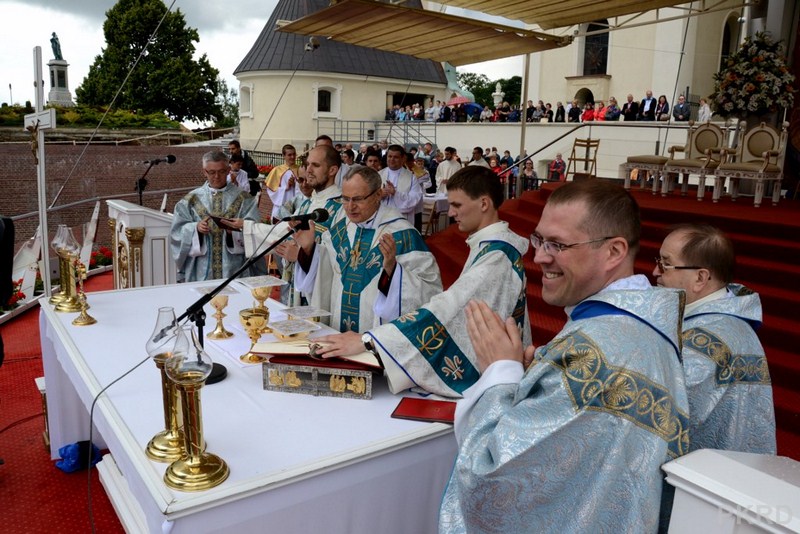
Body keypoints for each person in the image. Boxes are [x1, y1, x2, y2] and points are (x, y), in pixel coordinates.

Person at [439, 179, 688, 533]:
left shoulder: (589, 353)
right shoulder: (646, 331)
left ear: (614, 252)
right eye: (539, 240)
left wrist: (499, 376)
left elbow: (492, 479)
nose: (540, 256)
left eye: (557, 244)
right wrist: (535, 382)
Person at [314, 166, 532, 398]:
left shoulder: (498, 255)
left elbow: (450, 307)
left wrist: (370, 341)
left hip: (498, 377)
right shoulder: (489, 246)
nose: (450, 213)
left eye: (457, 205)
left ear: (484, 204)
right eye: (346, 199)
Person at [654, 224, 776, 453]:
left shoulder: (704, 343)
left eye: (665, 264)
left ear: (700, 278)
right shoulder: (726, 319)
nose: (655, 272)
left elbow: (662, 416)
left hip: (703, 469)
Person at [293, 165, 442, 332]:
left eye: (357, 199)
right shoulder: (341, 228)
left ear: (378, 195)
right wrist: (308, 250)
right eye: (345, 198)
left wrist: (393, 271)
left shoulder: (402, 234)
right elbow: (326, 273)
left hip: (376, 336)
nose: (350, 207)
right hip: (338, 331)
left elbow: (430, 289)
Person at [170, 151, 264, 283]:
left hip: (234, 268)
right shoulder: (190, 200)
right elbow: (177, 232)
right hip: (202, 268)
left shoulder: (244, 199)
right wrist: (196, 229)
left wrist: (235, 231)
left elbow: (256, 230)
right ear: (204, 172)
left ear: (228, 170)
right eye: (211, 172)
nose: (217, 176)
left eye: (221, 171)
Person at [379, 145, 422, 229]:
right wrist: (379, 195)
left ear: (402, 159)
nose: (392, 159)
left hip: (402, 221)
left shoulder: (411, 178)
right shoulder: (379, 175)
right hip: (381, 219)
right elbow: (368, 197)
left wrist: (395, 193)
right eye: (390, 156)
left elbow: (414, 199)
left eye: (396, 157)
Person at [263, 144, 299, 222]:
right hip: (281, 206)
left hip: (296, 207)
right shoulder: (277, 170)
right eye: (289, 155)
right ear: (283, 156)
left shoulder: (300, 170)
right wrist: (286, 188)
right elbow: (271, 190)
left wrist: (296, 185)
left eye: (294, 154)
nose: (293, 157)